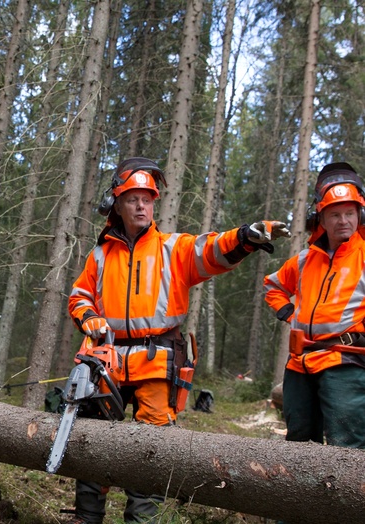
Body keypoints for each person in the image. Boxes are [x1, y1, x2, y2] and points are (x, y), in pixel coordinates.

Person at [66, 157, 290, 523]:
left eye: (147, 199)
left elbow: (213, 249)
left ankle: (142, 519)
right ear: (117, 205)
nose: (141, 205)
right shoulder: (100, 255)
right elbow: (79, 296)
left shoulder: (174, 249)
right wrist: (88, 316)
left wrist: (246, 235)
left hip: (157, 361)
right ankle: (87, 516)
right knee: (91, 439)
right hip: (106, 359)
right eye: (133, 198)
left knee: (151, 448)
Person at [264, 162, 365, 449]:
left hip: (345, 361)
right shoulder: (306, 259)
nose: (343, 221)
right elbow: (273, 285)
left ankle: (348, 495)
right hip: (299, 362)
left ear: (360, 214)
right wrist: (289, 313)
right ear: (321, 217)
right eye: (335, 214)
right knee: (298, 441)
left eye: (349, 213)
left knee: (346, 445)